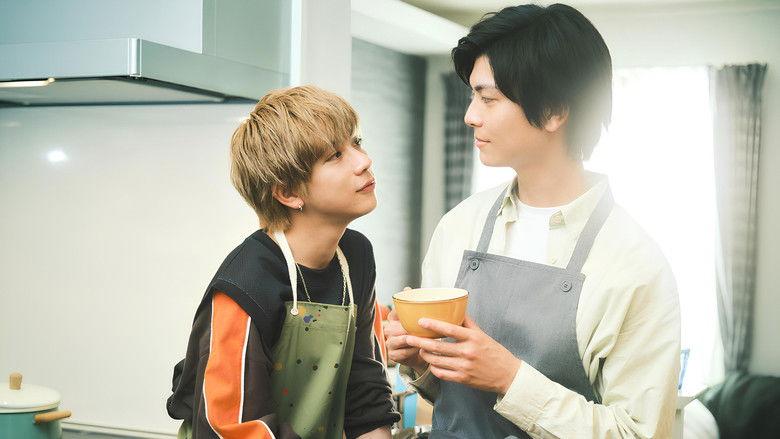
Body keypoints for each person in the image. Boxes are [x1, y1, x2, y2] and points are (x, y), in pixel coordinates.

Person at [385, 4, 681, 438]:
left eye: (488, 99)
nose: (470, 115)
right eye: (472, 97)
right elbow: (454, 401)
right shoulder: (460, 225)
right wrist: (421, 362)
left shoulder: (633, 264)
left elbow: (638, 433)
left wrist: (510, 379)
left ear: (554, 111)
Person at [167, 85, 399, 439]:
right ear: (288, 192)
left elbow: (365, 389)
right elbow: (235, 429)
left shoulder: (357, 257)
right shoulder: (244, 285)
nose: (363, 160)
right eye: (335, 155)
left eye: (357, 142)